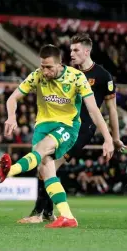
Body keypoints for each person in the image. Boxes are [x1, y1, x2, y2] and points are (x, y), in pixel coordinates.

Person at [0, 44, 114, 228]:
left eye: (49, 67)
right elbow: (12, 98)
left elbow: (94, 111)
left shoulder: (76, 78)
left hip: (67, 126)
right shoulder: (37, 75)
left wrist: (107, 138)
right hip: (43, 126)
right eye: (42, 66)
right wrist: (11, 116)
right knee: (46, 169)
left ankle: (10, 171)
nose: (45, 70)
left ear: (60, 64)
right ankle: (67, 216)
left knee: (42, 150)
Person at [17, 34, 126, 224]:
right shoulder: (66, 73)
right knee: (46, 164)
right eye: (70, 50)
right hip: (63, 126)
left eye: (76, 50)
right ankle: (47, 212)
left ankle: (41, 213)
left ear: (86, 51)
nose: (72, 54)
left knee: (48, 163)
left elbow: (111, 111)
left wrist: (113, 138)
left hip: (83, 130)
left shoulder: (102, 76)